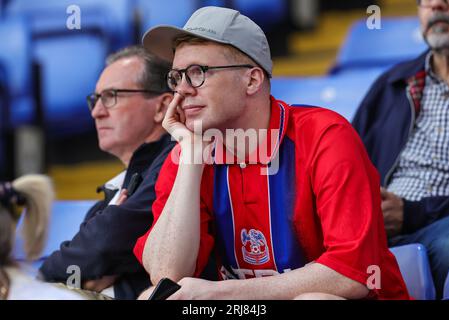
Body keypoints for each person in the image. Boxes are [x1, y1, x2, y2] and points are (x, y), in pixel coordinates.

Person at [133, 6, 410, 300]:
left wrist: (221, 293)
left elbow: (352, 273)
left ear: (252, 80)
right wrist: (190, 156)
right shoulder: (189, 154)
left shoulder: (325, 137)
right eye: (176, 77)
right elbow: (166, 275)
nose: (182, 91)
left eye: (197, 73)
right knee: (150, 296)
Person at [38, 46, 175, 300]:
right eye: (95, 99)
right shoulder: (115, 190)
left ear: (161, 107)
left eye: (112, 96)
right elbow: (84, 257)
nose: (96, 112)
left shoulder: (176, 160)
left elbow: (101, 247)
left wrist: (55, 278)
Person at [352, 0, 449, 299]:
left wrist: (413, 213)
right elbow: (347, 159)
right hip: (375, 225)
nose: (435, 5)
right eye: (424, 0)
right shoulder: (392, 83)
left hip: (440, 227)